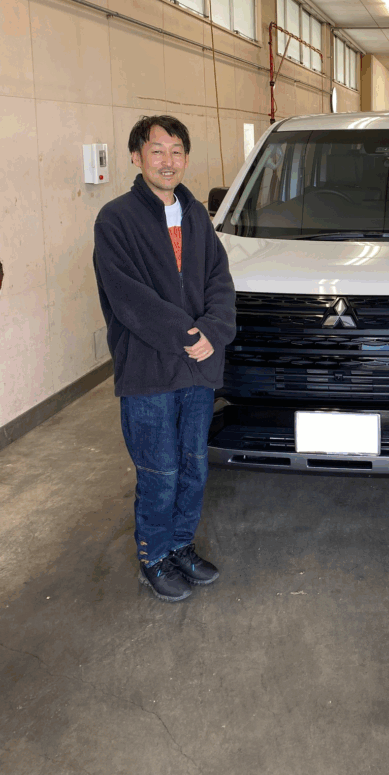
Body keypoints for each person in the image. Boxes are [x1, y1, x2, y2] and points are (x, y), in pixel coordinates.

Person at [93, 116, 236, 603]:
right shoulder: (116, 219)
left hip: (197, 367)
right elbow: (129, 297)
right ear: (137, 156)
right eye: (157, 151)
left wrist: (213, 331)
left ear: (186, 158)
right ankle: (154, 556)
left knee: (194, 466)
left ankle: (180, 546)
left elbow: (220, 280)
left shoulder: (196, 217)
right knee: (160, 471)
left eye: (176, 151)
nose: (167, 161)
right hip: (149, 368)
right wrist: (188, 334)